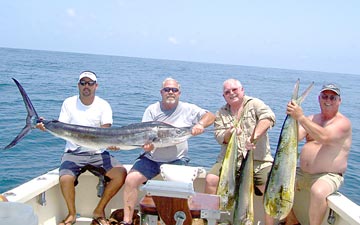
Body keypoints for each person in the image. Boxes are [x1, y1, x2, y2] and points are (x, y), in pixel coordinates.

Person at [121, 77, 216, 225]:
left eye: (174, 90)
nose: (170, 92)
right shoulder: (152, 110)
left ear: (179, 93)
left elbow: (210, 116)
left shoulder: (188, 109)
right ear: (161, 92)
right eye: (167, 90)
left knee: (179, 190)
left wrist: (200, 124)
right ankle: (127, 221)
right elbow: (145, 138)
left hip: (177, 159)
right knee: (131, 180)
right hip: (151, 159)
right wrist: (149, 146)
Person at [37, 71, 127, 225]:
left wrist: (112, 144)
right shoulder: (68, 103)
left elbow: (105, 132)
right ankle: (71, 215)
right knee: (65, 178)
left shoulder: (103, 105)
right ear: (78, 85)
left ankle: (99, 211)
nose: (87, 86)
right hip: (73, 153)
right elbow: (62, 128)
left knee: (121, 173)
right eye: (83, 83)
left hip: (98, 153)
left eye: (90, 83)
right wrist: (46, 126)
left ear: (96, 86)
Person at [205, 78, 275, 225]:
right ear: (224, 96)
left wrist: (254, 138)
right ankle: (209, 220)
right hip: (229, 161)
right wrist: (230, 134)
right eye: (227, 92)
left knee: (268, 187)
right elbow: (219, 137)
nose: (231, 93)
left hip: (258, 160)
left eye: (234, 90)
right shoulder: (221, 113)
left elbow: (268, 118)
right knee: (211, 179)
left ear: (242, 90)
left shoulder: (255, 104)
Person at [285, 83, 352, 225]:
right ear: (319, 98)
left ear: (339, 101)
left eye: (333, 97)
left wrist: (300, 118)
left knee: (318, 192)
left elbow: (324, 137)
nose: (328, 100)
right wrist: (291, 119)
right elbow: (294, 138)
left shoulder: (343, 123)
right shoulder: (312, 119)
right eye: (324, 96)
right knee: (277, 183)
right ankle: (291, 220)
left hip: (328, 175)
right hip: (301, 172)